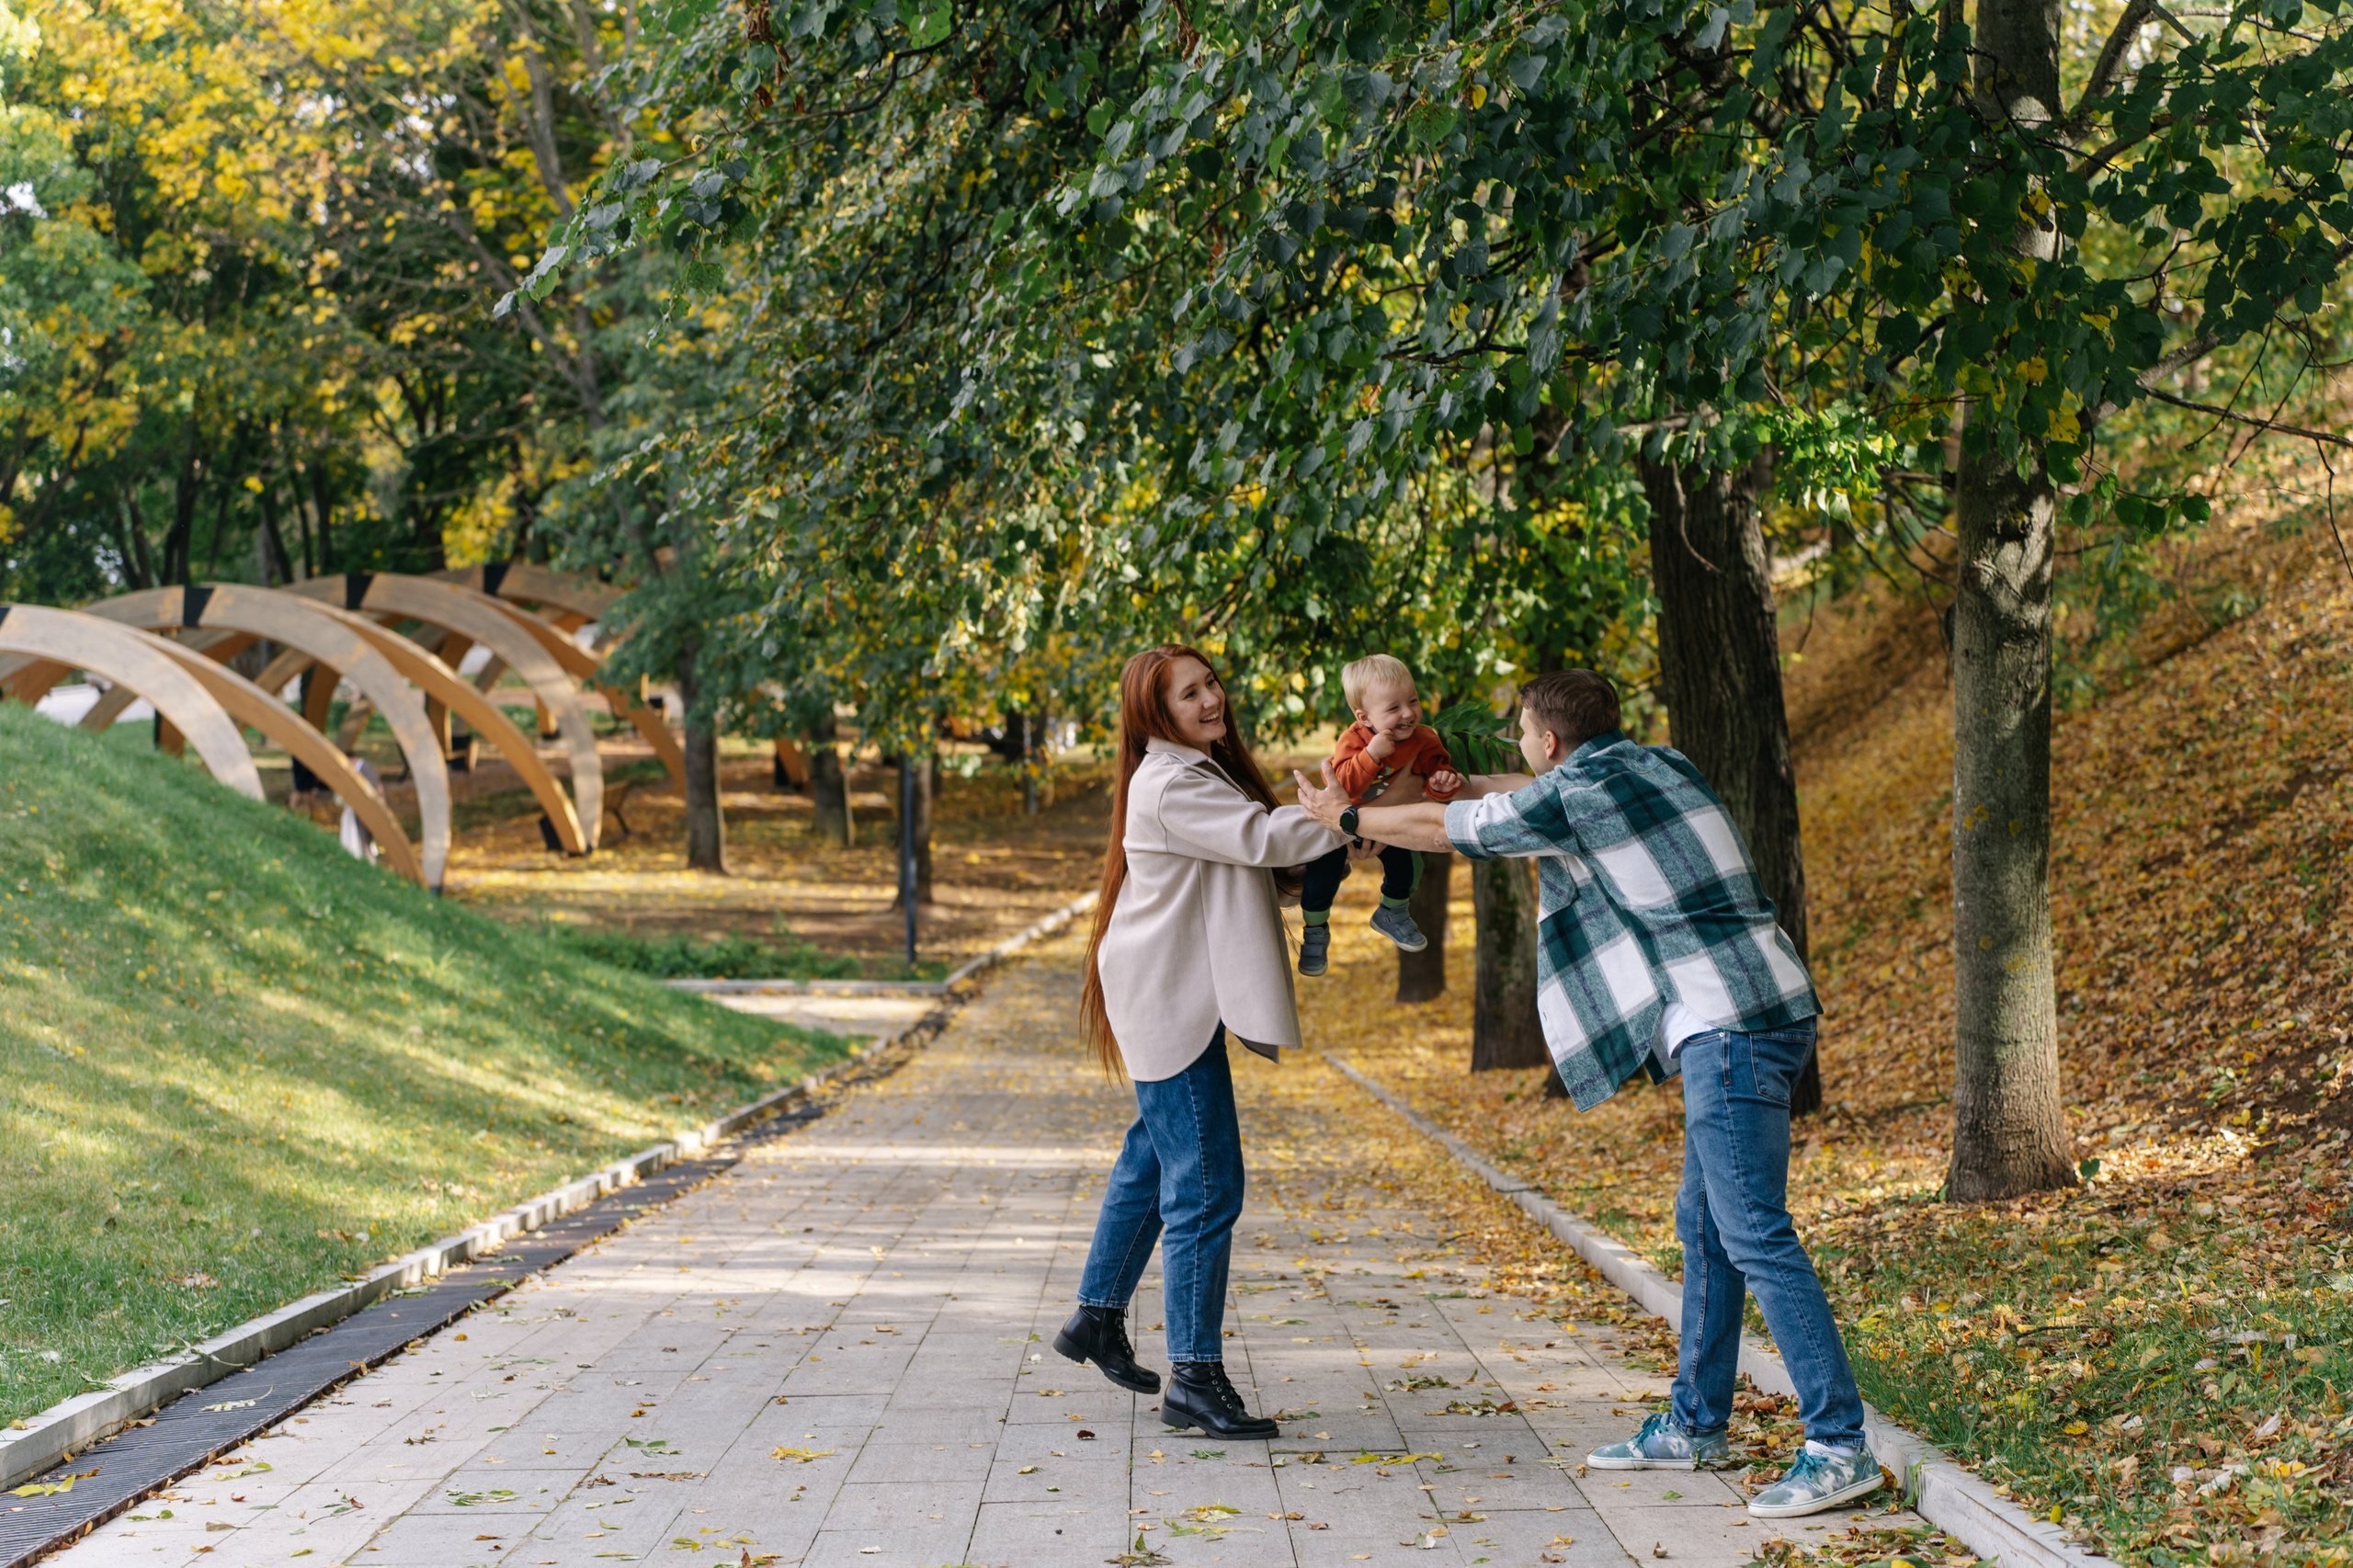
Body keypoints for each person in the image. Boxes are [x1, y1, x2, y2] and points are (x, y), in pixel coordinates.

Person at [1291, 669, 1881, 1519]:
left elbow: (1452, 826)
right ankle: (1695, 1424)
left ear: (1549, 739)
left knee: (1753, 1230)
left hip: (1732, 1026)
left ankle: (1838, 1445)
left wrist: (1343, 817)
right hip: (1765, 1006)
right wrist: (1421, 789)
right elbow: (1515, 794)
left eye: (1525, 732)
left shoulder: (1575, 795)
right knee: (1708, 1226)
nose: (1523, 745)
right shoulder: (1655, 764)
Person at [1056, 643, 1347, 1440]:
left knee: (1154, 1155)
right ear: (1158, 714)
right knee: (1208, 1185)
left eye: (1210, 683)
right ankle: (1195, 1379)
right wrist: (1342, 811)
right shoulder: (1175, 783)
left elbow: (1248, 858)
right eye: (1191, 694)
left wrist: (1338, 833)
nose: (1212, 699)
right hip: (1168, 999)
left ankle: (1096, 1317)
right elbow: (1263, 840)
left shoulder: (1190, 772)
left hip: (1172, 990)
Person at [1295, 654, 1464, 977]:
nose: (1407, 713)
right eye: (1393, 708)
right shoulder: (1354, 740)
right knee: (1321, 870)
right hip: (1340, 820)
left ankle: (1392, 911)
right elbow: (1342, 785)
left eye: (1413, 701)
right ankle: (1315, 927)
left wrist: (1444, 782)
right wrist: (1371, 755)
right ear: (1364, 717)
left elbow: (1433, 778)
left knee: (1408, 865)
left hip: (1389, 823)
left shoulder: (1425, 739)